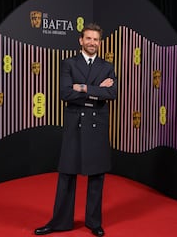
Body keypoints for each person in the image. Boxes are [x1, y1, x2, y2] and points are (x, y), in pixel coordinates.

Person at [34, 23, 117, 237]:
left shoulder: (107, 66)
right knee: (67, 174)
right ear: (80, 40)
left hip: (97, 125)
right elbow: (65, 93)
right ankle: (59, 221)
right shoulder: (68, 63)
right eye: (88, 38)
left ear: (100, 42)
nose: (92, 43)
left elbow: (112, 94)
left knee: (97, 175)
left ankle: (94, 222)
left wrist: (82, 87)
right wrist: (97, 90)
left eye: (96, 39)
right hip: (74, 124)